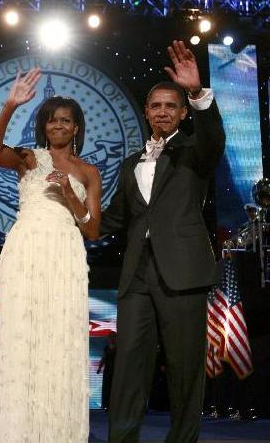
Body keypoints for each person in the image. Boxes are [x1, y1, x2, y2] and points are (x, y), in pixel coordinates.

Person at [100, 40, 226, 443]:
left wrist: (197, 91)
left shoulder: (195, 152)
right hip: (137, 273)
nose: (163, 112)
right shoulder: (129, 164)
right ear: (146, 112)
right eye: (156, 106)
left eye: (171, 106)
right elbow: (116, 218)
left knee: (185, 367)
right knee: (129, 367)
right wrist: (66, 217)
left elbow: (213, 139)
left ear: (183, 112)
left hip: (183, 272)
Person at [0, 68, 102, 443]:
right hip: (27, 252)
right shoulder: (29, 159)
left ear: (76, 128)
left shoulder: (88, 172)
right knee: (23, 336)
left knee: (60, 339)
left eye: (65, 120)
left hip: (65, 257)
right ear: (44, 126)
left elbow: (93, 230)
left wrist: (70, 198)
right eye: (52, 120)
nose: (58, 126)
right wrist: (9, 105)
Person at [97, 331, 117, 411]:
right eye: (110, 337)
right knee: (107, 388)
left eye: (113, 337)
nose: (111, 339)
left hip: (116, 370)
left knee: (115, 388)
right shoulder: (106, 348)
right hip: (108, 370)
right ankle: (107, 406)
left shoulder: (119, 347)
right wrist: (99, 368)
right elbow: (103, 359)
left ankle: (115, 406)